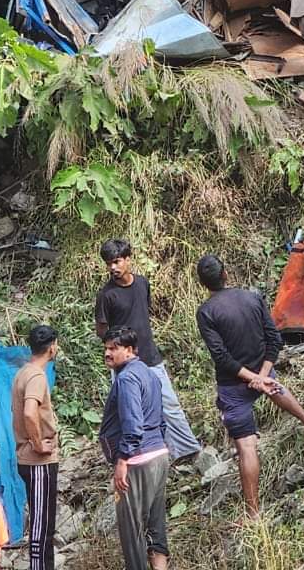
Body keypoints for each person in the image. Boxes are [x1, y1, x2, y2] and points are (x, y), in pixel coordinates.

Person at [195, 255, 304, 517]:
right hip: (264, 371)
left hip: (234, 386)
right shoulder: (252, 298)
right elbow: (274, 339)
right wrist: (263, 375)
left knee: (246, 447)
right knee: (275, 388)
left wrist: (253, 379)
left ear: (203, 283)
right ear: (225, 274)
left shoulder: (206, 312)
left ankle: (253, 514)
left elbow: (221, 356)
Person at [95, 239, 201, 462]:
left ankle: (186, 450)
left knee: (169, 404)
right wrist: (118, 347)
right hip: (124, 363)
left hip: (150, 356)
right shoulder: (107, 295)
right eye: (109, 263)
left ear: (128, 260)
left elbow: (145, 312)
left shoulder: (142, 283)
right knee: (129, 410)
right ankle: (131, 456)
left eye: (117, 261)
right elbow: (101, 330)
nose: (113, 267)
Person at [98, 327, 170, 570]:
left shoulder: (127, 379)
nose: (107, 353)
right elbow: (160, 419)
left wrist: (122, 461)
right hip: (159, 454)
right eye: (106, 348)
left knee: (133, 531)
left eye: (113, 348)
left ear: (129, 350)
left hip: (137, 460)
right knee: (155, 526)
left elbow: (133, 425)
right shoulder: (150, 374)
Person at [11, 325, 59, 570]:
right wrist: (39, 444)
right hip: (38, 462)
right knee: (42, 525)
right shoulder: (37, 377)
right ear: (52, 348)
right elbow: (30, 412)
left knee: (44, 523)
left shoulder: (23, 372)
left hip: (28, 459)